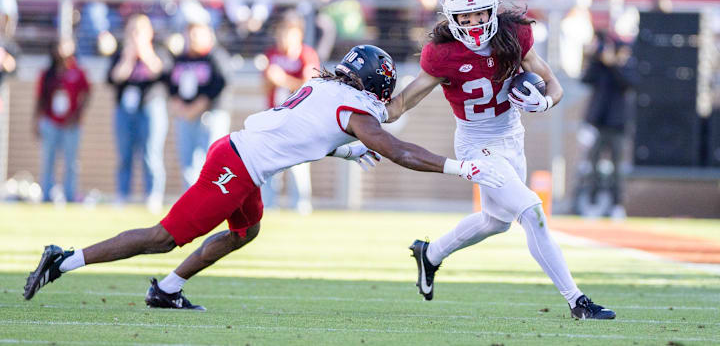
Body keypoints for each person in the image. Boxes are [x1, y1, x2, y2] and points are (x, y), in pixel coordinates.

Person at [23, 45, 505, 311]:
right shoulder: (355, 108)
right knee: (163, 236)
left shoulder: (322, 85)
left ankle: (166, 290)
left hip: (238, 154)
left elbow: (304, 132)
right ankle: (64, 260)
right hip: (235, 168)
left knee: (245, 232)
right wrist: (460, 167)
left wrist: (346, 150)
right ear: (378, 85)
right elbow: (397, 150)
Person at [385, 0, 616, 320]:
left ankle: (430, 254)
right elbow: (403, 102)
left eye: (480, 13)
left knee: (496, 221)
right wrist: (366, 116)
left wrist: (546, 103)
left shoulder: (513, 35)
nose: (475, 22)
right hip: (476, 143)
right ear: (452, 19)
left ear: (491, 10)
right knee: (532, 213)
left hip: (512, 136)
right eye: (466, 16)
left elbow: (554, 84)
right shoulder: (442, 54)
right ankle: (577, 301)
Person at [108, 14, 170, 212]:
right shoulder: (120, 53)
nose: (136, 35)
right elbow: (114, 78)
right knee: (124, 154)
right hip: (125, 109)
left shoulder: (159, 51)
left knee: (151, 154)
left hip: (151, 106)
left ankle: (153, 195)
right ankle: (122, 195)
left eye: (140, 30)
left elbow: (160, 72)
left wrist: (144, 52)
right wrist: (128, 57)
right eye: (132, 30)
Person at [261, 11, 320, 214]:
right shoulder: (272, 54)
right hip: (274, 117)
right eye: (281, 32)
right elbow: (265, 87)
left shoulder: (307, 55)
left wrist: (283, 79)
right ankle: (269, 205)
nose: (284, 37)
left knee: (298, 164)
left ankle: (301, 205)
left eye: (289, 32)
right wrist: (272, 79)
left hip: (298, 119)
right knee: (270, 164)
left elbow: (309, 88)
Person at [573, 30, 636, 219]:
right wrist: (594, 58)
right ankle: (592, 202)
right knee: (592, 164)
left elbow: (629, 83)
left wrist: (614, 65)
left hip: (617, 124)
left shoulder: (625, 66)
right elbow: (585, 79)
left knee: (617, 168)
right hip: (598, 123)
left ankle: (617, 205)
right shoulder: (599, 67)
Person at [165, 21, 228, 188]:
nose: (192, 38)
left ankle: (211, 198)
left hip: (210, 115)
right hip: (184, 115)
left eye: (196, 34)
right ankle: (191, 198)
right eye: (189, 34)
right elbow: (170, 84)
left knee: (210, 159)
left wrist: (199, 105)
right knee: (187, 161)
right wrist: (179, 106)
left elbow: (221, 83)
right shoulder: (181, 59)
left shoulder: (215, 57)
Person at [32, 39, 91, 203]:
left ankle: (70, 195)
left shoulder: (78, 71)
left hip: (71, 124)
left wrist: (77, 115)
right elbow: (39, 98)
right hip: (50, 121)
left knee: (71, 161)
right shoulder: (47, 73)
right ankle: (46, 195)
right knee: (48, 160)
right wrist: (36, 121)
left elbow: (86, 94)